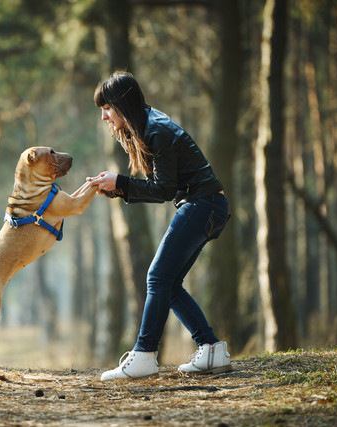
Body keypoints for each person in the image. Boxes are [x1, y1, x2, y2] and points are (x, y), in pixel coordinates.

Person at [86, 71, 232, 381]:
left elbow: (163, 190)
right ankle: (211, 349)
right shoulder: (147, 126)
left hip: (203, 205)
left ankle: (144, 354)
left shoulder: (157, 130)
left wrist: (122, 183)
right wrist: (116, 186)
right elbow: (162, 187)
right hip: (204, 206)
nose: (104, 117)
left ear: (122, 105)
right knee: (168, 283)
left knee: (156, 276)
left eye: (107, 108)